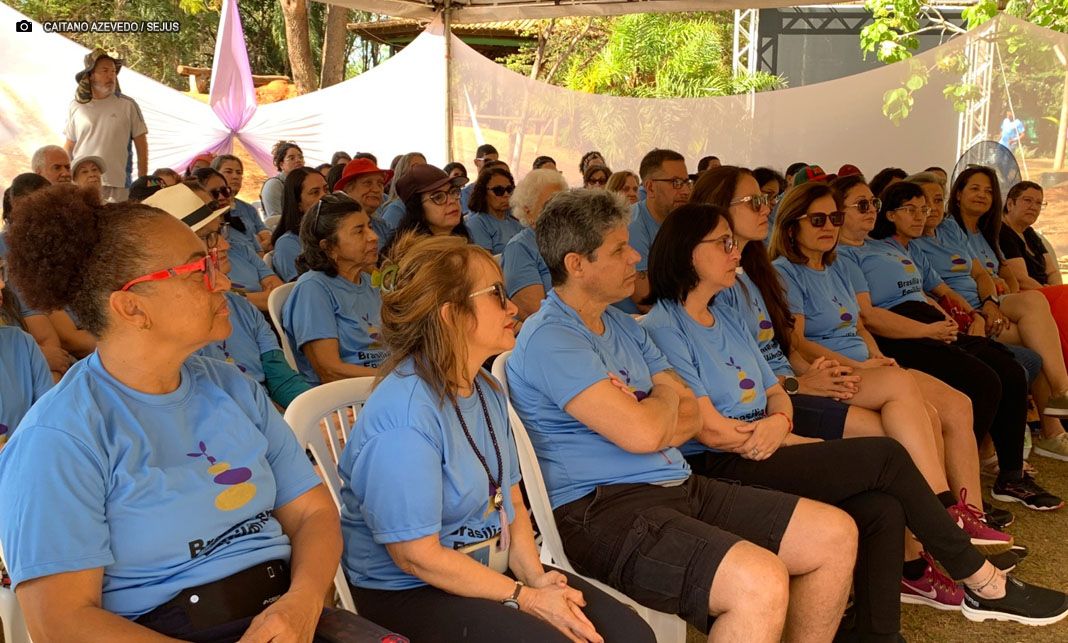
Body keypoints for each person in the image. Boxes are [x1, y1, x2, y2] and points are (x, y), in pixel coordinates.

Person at [640, 201, 1060, 635]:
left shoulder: (725, 312)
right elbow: (707, 427)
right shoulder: (663, 326)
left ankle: (878, 635)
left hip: (766, 440)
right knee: (885, 455)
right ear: (688, 251)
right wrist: (775, 436)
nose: (736, 252)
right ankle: (979, 579)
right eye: (723, 243)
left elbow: (774, 389)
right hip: (723, 461)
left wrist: (781, 425)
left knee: (881, 506)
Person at [506, 188, 867, 641]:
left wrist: (654, 406)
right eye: (619, 249)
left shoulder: (618, 323)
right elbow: (642, 433)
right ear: (577, 264)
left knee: (834, 534)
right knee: (759, 579)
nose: (636, 253)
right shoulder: (553, 338)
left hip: (677, 485)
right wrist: (660, 405)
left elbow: (692, 415)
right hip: (602, 510)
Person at [0, 183, 355, 641]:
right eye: (197, 270)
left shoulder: (231, 386)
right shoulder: (60, 437)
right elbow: (61, 622)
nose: (224, 280)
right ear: (132, 306)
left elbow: (313, 514)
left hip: (288, 615)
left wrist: (303, 602)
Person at [339, 233, 654, 643]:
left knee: (631, 633)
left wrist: (536, 579)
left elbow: (512, 499)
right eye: (495, 294)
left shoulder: (485, 387)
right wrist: (525, 598)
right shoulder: (405, 418)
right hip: (410, 592)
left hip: (491, 569)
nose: (511, 307)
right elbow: (416, 558)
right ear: (451, 314)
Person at [693, 167, 1012, 552]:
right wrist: (803, 382)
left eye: (836, 218)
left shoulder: (756, 272)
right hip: (779, 400)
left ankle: (945, 528)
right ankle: (940, 522)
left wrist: (864, 360)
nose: (766, 207)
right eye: (755, 200)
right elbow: (750, 371)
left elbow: (796, 344)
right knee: (903, 426)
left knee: (942, 406)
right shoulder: (726, 286)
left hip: (801, 381)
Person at [800, 178, 1063, 512]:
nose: (870, 212)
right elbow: (865, 318)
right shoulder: (843, 258)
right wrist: (921, 333)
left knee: (1011, 368)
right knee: (983, 380)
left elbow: (934, 291)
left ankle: (1007, 477)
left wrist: (966, 317)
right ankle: (958, 491)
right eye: (861, 205)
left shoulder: (888, 247)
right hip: (902, 332)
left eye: (873, 204)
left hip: (926, 324)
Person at [911, 167, 1068, 417]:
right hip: (965, 313)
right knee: (1037, 342)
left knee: (1035, 304)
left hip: (987, 302)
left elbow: (982, 274)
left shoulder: (950, 229)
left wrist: (990, 304)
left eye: (938, 200)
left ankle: (1062, 394)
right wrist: (979, 314)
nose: (932, 207)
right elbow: (934, 293)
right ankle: (1053, 424)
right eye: (923, 203)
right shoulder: (912, 243)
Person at [148, 184, 310, 409]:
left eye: (219, 231)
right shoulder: (164, 331)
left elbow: (281, 379)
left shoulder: (242, 308)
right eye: (208, 237)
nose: (224, 245)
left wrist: (316, 411)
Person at [282, 194, 386, 386]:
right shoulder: (313, 289)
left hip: (384, 386)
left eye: (369, 227)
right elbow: (329, 371)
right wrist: (394, 379)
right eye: (359, 231)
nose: (374, 237)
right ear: (329, 247)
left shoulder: (369, 281)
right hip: (346, 401)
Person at [63, 49, 148, 202]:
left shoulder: (127, 105)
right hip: (83, 184)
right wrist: (65, 180)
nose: (111, 76)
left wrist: (143, 182)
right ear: (90, 75)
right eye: (105, 70)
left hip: (119, 184)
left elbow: (141, 145)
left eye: (114, 71)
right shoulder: (76, 106)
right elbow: (69, 146)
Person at [195, 171, 284, 312]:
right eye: (215, 193)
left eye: (225, 191)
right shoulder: (196, 269)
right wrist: (254, 297)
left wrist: (242, 297)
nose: (223, 197)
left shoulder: (241, 248)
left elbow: (278, 295)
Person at [625, 149, 693, 312]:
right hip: (641, 325)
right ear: (650, 188)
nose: (685, 191)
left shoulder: (681, 221)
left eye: (686, 182)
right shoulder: (632, 226)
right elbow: (646, 301)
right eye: (676, 183)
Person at [502, 169, 569, 320]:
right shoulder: (519, 248)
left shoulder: (569, 240)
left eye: (562, 202)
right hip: (551, 331)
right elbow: (534, 312)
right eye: (550, 204)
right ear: (528, 210)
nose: (558, 210)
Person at [381, 165, 468, 257]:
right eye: (438, 197)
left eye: (453, 192)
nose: (452, 201)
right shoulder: (412, 257)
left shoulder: (462, 239)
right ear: (417, 208)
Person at [271, 167, 327, 282]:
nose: (325, 196)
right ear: (298, 204)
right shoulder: (287, 244)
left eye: (326, 189)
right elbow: (307, 289)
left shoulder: (334, 232)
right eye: (315, 192)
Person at [213, 154, 272, 254]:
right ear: (215, 176)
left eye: (239, 173)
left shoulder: (248, 209)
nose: (235, 176)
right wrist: (255, 243)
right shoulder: (213, 211)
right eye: (228, 171)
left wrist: (256, 248)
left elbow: (268, 240)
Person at [334, 157, 395, 252]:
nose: (377, 189)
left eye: (380, 183)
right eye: (368, 183)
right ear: (348, 188)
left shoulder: (383, 226)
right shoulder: (332, 227)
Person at [465, 167, 523, 254]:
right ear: (483, 193)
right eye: (498, 190)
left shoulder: (515, 221)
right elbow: (485, 262)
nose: (506, 195)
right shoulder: (477, 223)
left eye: (509, 189)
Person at [379, 152, 428, 230]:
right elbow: (387, 240)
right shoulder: (397, 208)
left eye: (425, 167)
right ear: (403, 174)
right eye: (416, 167)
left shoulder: (426, 203)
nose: (423, 171)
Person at [261, 140, 304, 219]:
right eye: (292, 158)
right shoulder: (274, 185)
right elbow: (275, 222)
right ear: (281, 165)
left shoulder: (304, 183)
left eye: (300, 157)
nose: (298, 160)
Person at [462, 144, 500, 215]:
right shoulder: (465, 193)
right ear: (476, 162)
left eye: (495, 162)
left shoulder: (500, 192)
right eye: (487, 161)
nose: (491, 165)